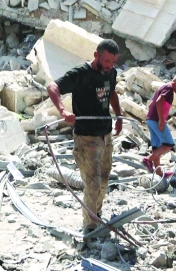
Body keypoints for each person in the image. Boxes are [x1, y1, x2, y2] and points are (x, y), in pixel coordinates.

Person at [46, 39, 122, 233]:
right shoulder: (80, 74)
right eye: (106, 61)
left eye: (113, 62)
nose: (109, 66)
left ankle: (96, 214)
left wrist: (119, 115)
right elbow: (52, 87)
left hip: (105, 135)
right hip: (86, 138)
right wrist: (63, 111)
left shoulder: (111, 73)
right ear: (96, 55)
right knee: (93, 182)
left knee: (104, 180)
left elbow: (112, 93)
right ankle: (90, 226)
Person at [143, 73, 176, 175]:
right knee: (169, 144)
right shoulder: (169, 89)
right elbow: (159, 101)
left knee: (157, 147)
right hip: (156, 120)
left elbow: (153, 102)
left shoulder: (164, 87)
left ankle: (159, 172)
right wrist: (161, 119)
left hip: (151, 119)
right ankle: (148, 159)